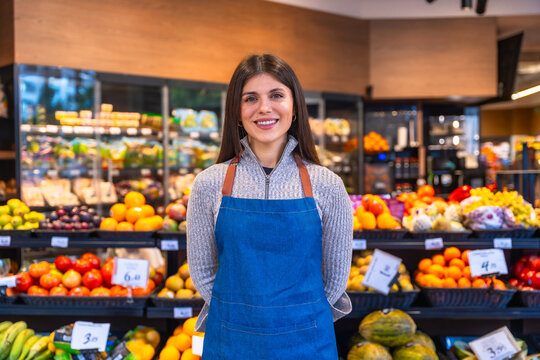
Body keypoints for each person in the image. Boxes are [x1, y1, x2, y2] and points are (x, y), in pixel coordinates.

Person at [187, 53, 353, 359]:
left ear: (294, 107)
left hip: (306, 341)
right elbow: (202, 272)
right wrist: (242, 314)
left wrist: (296, 317)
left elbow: (335, 279)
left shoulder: (328, 185)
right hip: (233, 340)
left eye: (276, 95)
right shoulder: (208, 184)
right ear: (237, 112)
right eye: (250, 98)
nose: (264, 108)